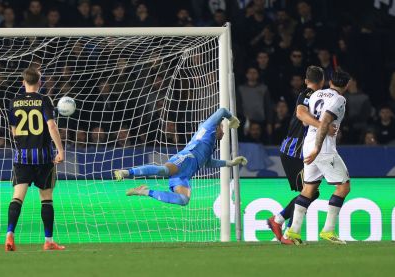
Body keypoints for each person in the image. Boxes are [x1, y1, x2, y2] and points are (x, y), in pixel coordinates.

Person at [114, 108, 247, 206]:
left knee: (183, 200)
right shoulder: (208, 128)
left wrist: (230, 163)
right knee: (164, 171)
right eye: (222, 128)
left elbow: (207, 162)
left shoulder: (212, 143)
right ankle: (126, 172)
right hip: (186, 158)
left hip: (185, 175)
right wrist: (231, 118)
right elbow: (222, 110)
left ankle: (145, 192)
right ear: (217, 127)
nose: (223, 131)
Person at [267, 66, 334, 244]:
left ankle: (285, 227)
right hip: (294, 151)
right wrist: (323, 126)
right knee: (310, 192)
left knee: (311, 192)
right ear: (323, 81)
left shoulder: (320, 97)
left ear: (306, 80)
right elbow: (301, 114)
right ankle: (280, 222)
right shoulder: (307, 94)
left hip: (301, 151)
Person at [285, 70, 351, 245]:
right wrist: (317, 148)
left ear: (330, 82)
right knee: (343, 188)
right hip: (322, 148)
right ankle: (328, 230)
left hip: (308, 145)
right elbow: (325, 122)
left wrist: (313, 148)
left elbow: (306, 120)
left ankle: (293, 231)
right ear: (347, 85)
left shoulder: (315, 95)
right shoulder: (339, 99)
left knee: (309, 189)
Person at [5, 67, 65, 251]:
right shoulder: (44, 100)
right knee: (46, 199)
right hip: (44, 158)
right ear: (40, 82)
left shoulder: (13, 102)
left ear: (23, 82)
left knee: (17, 198)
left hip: (22, 158)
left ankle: (9, 235)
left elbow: (13, 130)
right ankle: (48, 241)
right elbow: (52, 126)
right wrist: (60, 150)